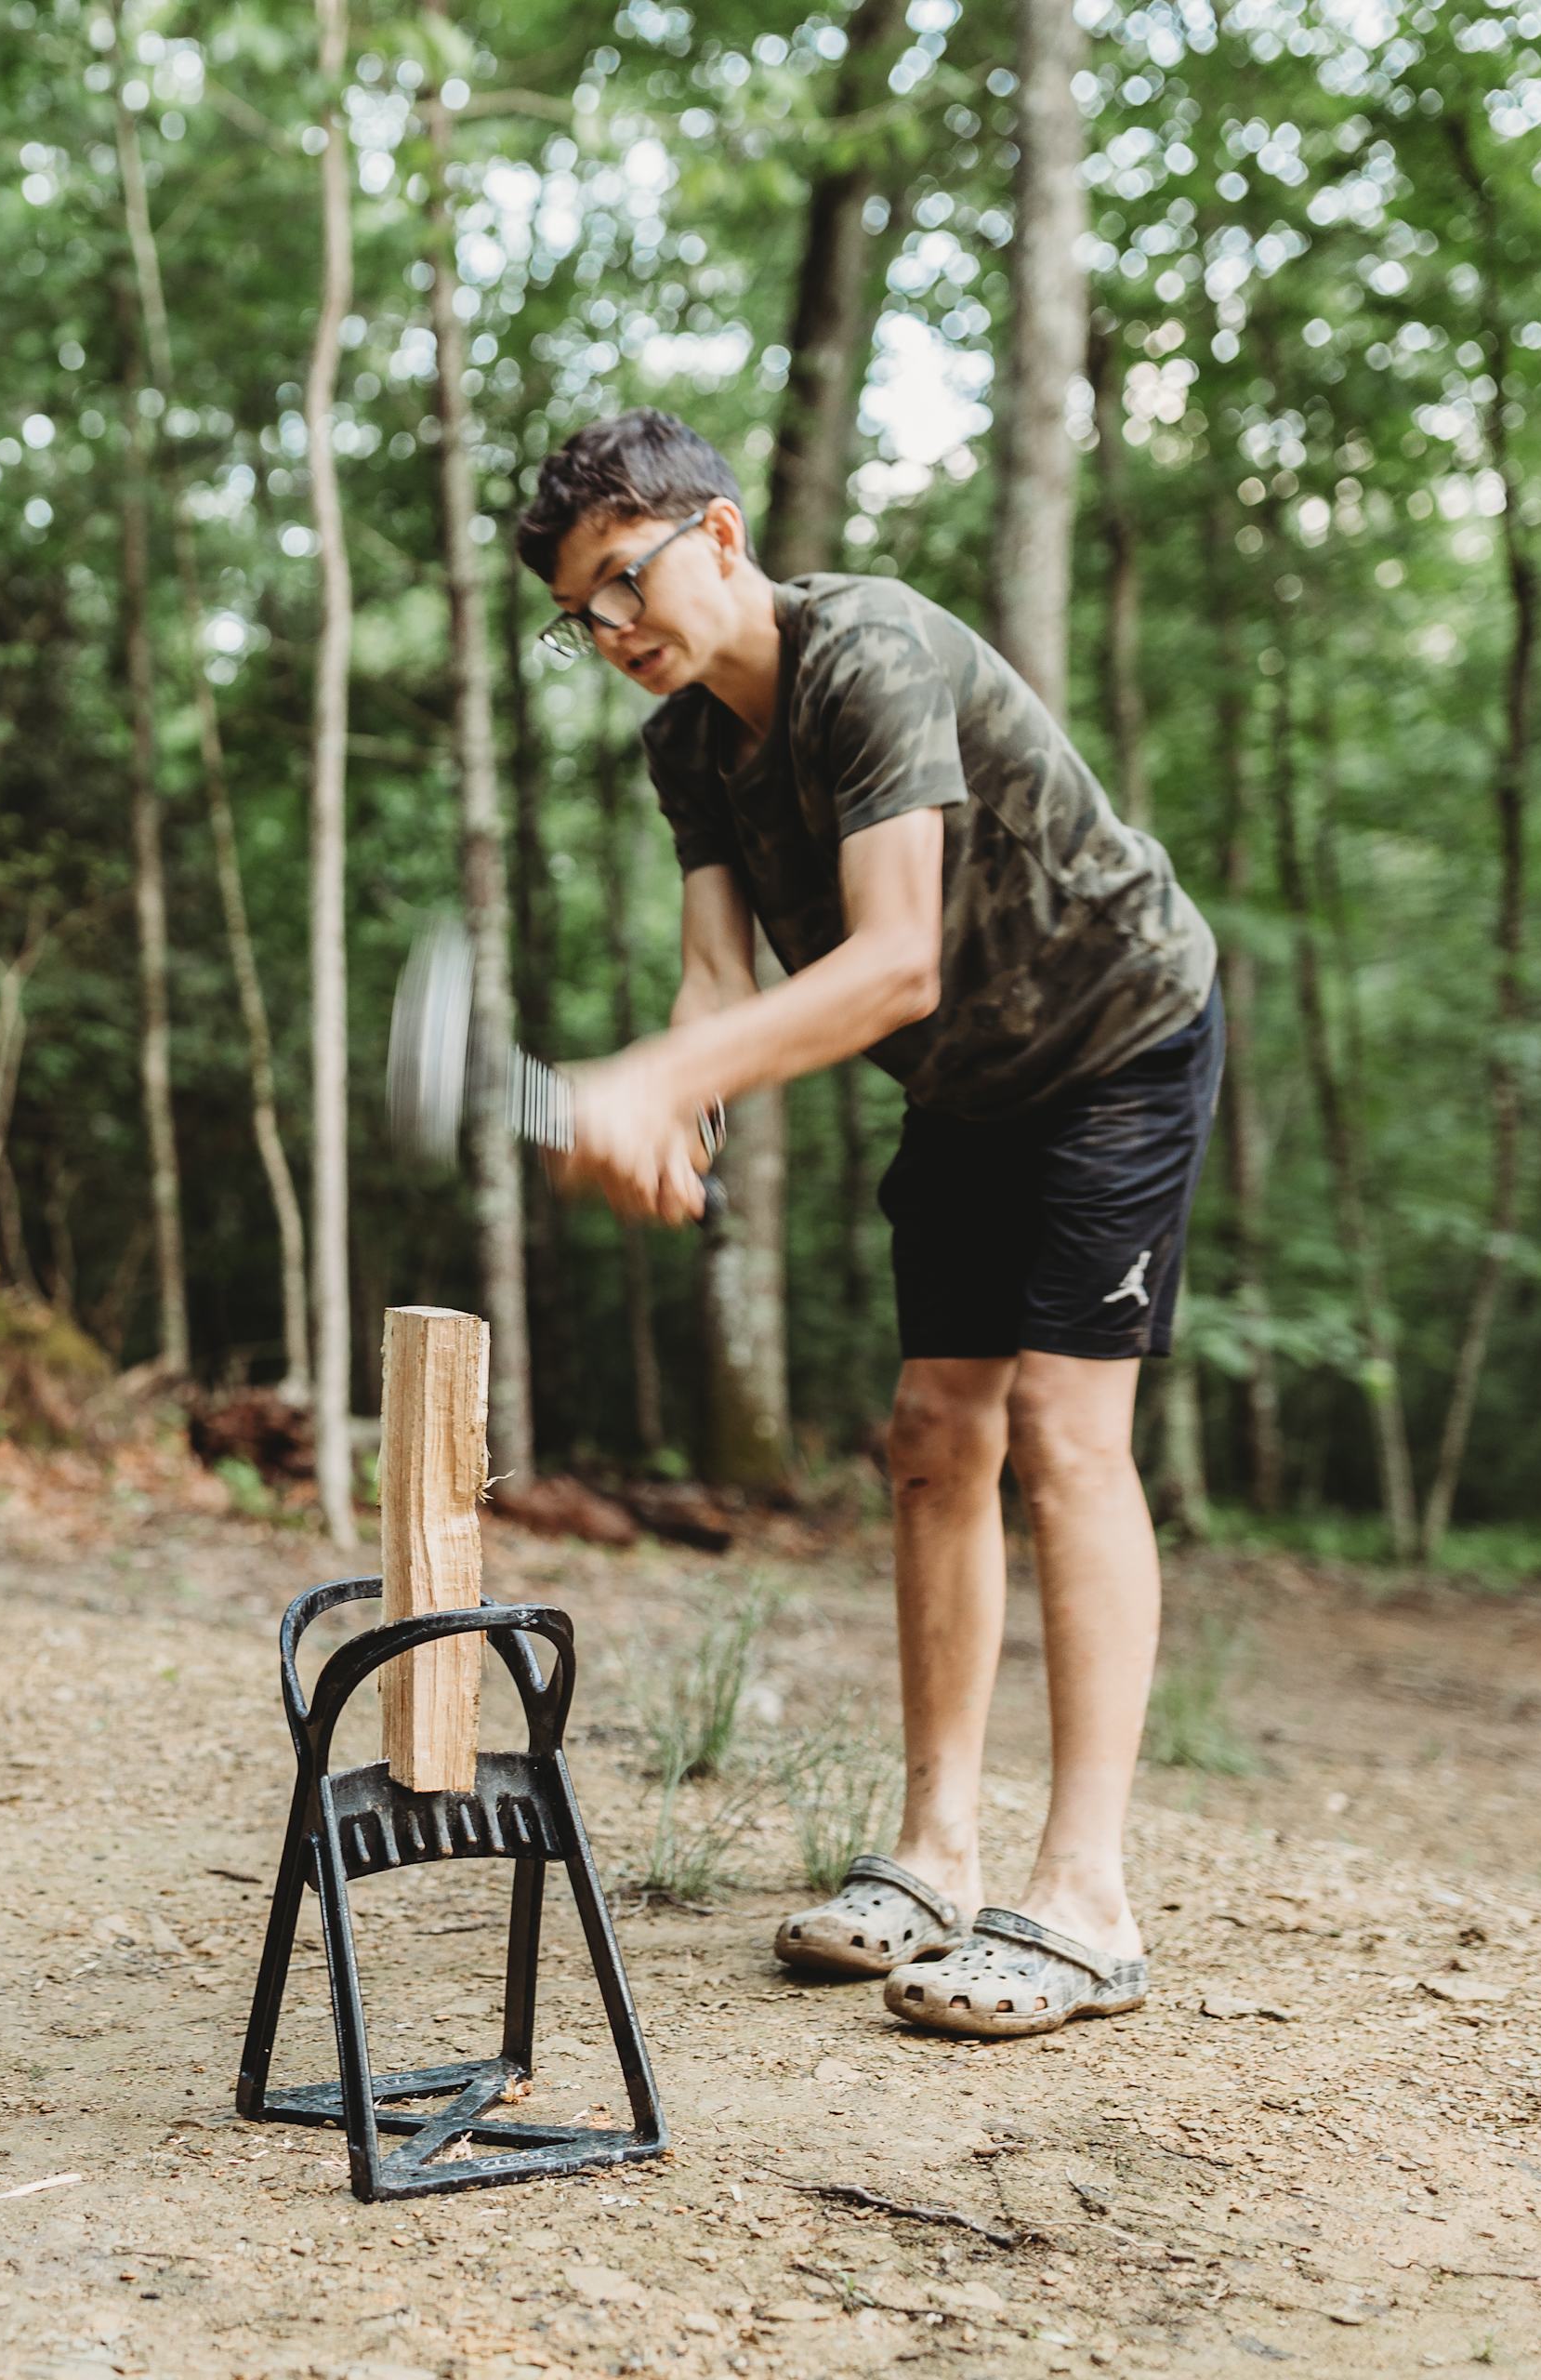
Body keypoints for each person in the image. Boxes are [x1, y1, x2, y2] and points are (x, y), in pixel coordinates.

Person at [516, 411, 1220, 2040]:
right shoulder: (685, 744)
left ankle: (1089, 1897)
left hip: (1116, 1038)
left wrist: (655, 1074)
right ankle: (934, 1853)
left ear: (722, 536)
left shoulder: (871, 650)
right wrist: (677, 1111)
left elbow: (895, 958)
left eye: (627, 581)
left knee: (1061, 1426)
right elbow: (720, 983)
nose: (616, 631)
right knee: (927, 1430)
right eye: (583, 614)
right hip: (969, 1085)